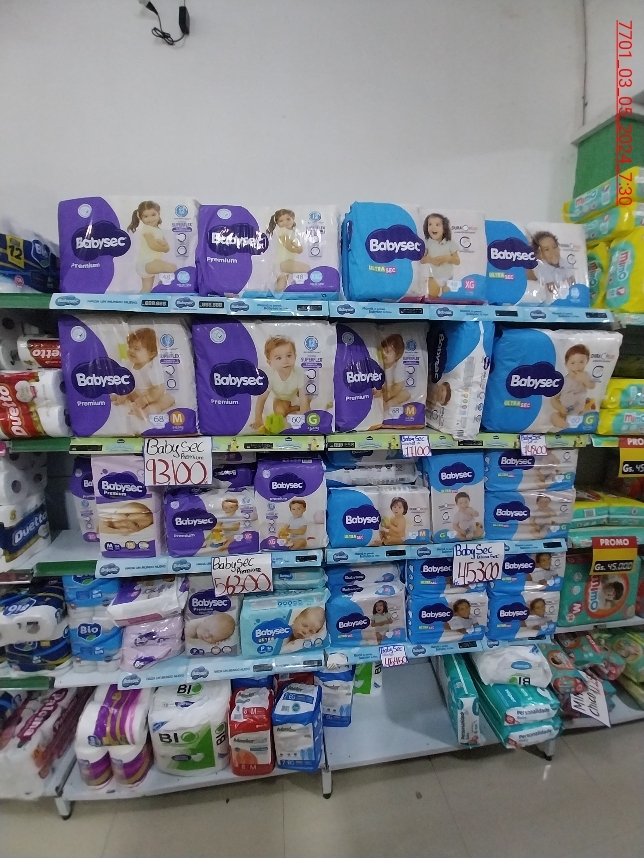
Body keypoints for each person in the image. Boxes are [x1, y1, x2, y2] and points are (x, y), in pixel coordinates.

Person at [110, 327, 174, 420]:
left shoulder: (152, 368)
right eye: (130, 347)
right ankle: (117, 397)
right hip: (137, 395)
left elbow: (159, 389)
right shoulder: (129, 364)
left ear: (151, 354)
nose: (131, 350)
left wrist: (147, 399)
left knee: (166, 400)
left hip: (153, 397)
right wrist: (124, 394)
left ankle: (146, 412)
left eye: (136, 348)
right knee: (126, 391)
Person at [252, 336, 309, 430]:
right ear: (270, 363)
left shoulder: (299, 373)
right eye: (279, 358)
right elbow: (261, 399)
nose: (285, 361)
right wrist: (258, 420)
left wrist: (304, 416)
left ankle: (298, 407)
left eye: (289, 356)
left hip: (296, 392)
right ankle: (293, 408)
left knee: (308, 396)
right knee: (279, 412)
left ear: (295, 356)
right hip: (281, 397)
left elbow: (303, 398)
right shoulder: (270, 377)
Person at [128, 201, 177, 293]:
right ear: (141, 218)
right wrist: (163, 246)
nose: (150, 219)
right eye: (146, 216)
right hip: (146, 263)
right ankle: (161, 287)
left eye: (153, 215)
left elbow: (167, 248)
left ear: (158, 214)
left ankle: (139, 301)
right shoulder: (147, 230)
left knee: (146, 289)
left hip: (149, 264)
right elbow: (153, 246)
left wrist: (164, 245)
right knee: (172, 268)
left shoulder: (158, 230)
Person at [551, 344, 596, 430]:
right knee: (554, 416)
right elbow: (553, 399)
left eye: (581, 362)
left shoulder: (586, 376)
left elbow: (592, 386)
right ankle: (565, 425)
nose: (577, 366)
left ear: (587, 362)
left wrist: (585, 380)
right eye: (573, 363)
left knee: (590, 413)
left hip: (580, 411)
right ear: (566, 364)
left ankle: (578, 425)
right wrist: (560, 408)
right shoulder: (563, 381)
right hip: (565, 413)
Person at [266, 209, 310, 292]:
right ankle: (296, 284)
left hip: (281, 263)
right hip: (284, 262)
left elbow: (295, 244)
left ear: (293, 219)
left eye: (288, 219)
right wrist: (298, 249)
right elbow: (289, 246)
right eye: (281, 221)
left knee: (281, 286)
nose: (285, 222)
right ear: (277, 223)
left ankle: (276, 296)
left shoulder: (291, 232)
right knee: (307, 268)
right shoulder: (283, 232)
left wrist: (298, 248)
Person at [527, 230, 576, 303]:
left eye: (554, 247)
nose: (552, 252)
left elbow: (572, 281)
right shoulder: (540, 267)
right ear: (539, 255)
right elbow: (551, 290)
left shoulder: (563, 262)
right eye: (546, 250)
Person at [420, 213, 460, 299]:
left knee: (447, 298)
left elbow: (457, 261)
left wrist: (447, 258)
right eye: (430, 224)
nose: (433, 227)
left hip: (448, 277)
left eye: (437, 225)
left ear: (444, 228)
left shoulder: (450, 243)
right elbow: (422, 260)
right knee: (432, 297)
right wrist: (431, 260)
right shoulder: (427, 243)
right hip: (433, 277)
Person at [380, 333, 411, 412]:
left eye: (387, 351)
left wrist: (390, 394)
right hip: (385, 389)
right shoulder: (380, 364)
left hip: (396, 390)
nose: (383, 353)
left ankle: (389, 404)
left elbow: (399, 385)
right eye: (383, 349)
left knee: (405, 394)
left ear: (397, 355)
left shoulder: (397, 368)